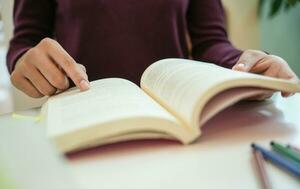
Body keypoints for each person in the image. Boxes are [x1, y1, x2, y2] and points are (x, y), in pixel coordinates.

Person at [7, 0, 299, 99]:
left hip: (176, 121)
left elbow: (210, 42)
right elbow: (24, 41)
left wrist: (245, 66)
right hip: (85, 119)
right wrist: (25, 60)